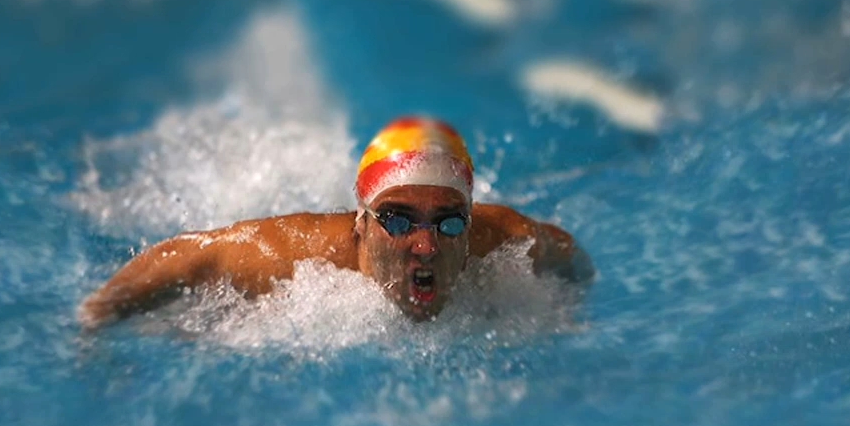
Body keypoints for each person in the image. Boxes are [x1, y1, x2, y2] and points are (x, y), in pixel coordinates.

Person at [78, 116, 594, 330]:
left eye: (448, 223)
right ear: (361, 223)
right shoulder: (294, 259)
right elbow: (190, 255)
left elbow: (569, 256)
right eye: (397, 219)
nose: (424, 245)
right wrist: (95, 319)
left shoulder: (505, 241)